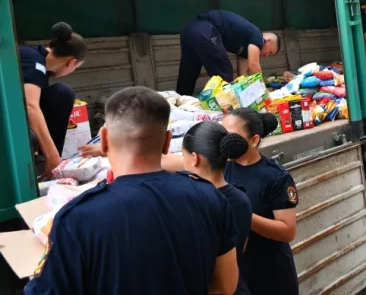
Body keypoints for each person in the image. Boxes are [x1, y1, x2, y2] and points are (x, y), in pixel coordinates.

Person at [25, 87, 239, 295]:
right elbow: (225, 286)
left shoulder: (77, 219)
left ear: (104, 139)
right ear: (167, 142)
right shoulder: (210, 197)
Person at [222, 109, 299, 295]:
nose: (225, 142)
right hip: (238, 270)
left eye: (231, 136)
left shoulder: (275, 177)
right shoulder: (224, 168)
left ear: (254, 140)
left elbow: (287, 231)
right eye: (222, 135)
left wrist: (245, 216)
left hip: (270, 273)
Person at [181, 121, 253, 295]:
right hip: (237, 286)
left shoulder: (194, 204)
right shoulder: (241, 198)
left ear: (194, 158)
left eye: (182, 155)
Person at [19, 22, 87, 177]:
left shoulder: (39, 63)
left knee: (60, 94)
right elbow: (30, 106)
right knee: (64, 92)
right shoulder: (34, 62)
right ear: (72, 62)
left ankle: (45, 161)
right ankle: (48, 161)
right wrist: (53, 156)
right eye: (75, 68)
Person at [176, 10, 280, 96]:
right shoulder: (258, 37)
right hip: (205, 28)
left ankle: (180, 103)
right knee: (224, 71)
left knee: (189, 71)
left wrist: (247, 93)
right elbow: (253, 64)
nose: (266, 56)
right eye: (270, 52)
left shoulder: (247, 47)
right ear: (268, 40)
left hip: (188, 30)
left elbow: (242, 76)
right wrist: (262, 89)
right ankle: (227, 109)